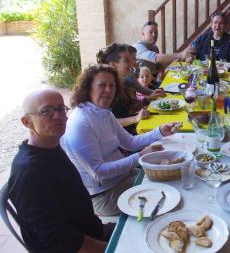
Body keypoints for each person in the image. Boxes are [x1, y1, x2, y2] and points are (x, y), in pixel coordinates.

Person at [61, 65, 182, 216]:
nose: (108, 90)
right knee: (169, 187)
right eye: (102, 85)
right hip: (105, 195)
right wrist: (140, 156)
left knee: (172, 170)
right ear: (88, 88)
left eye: (112, 85)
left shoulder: (103, 112)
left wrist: (160, 132)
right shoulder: (81, 122)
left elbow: (130, 143)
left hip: (122, 176)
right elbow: (99, 173)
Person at [7, 89, 110, 252]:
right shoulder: (28, 172)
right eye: (46, 111)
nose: (58, 116)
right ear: (27, 121)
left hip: (91, 232)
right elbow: (60, 240)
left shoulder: (51, 146)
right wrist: (114, 248)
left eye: (61, 108)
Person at [96, 43, 159, 132]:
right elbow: (104, 122)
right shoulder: (105, 89)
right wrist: (135, 118)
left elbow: (129, 108)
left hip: (128, 134)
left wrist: (148, 99)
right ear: (113, 65)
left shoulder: (121, 82)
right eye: (126, 60)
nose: (132, 63)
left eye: (131, 60)